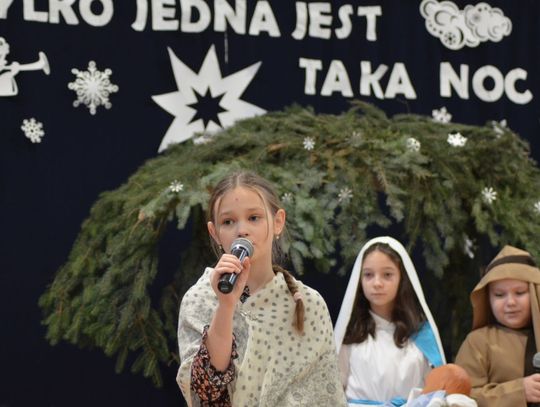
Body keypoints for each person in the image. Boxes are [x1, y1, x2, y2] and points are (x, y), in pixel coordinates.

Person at [176, 171, 347, 406]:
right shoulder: (200, 298)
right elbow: (205, 392)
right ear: (214, 233)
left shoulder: (308, 302)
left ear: (277, 222)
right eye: (228, 222)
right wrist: (225, 306)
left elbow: (326, 395)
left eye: (254, 218)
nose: (242, 230)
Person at [334, 236, 446, 406]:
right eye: (368, 275)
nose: (377, 283)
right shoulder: (349, 334)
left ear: (402, 279)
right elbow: (333, 392)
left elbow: (436, 391)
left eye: (387, 275)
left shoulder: (421, 334)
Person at [455, 245, 540, 406]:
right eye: (499, 295)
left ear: (536, 292)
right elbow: (461, 396)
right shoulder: (478, 342)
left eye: (520, 293)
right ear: (488, 299)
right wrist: (519, 392)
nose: (510, 302)